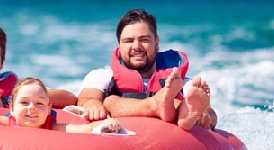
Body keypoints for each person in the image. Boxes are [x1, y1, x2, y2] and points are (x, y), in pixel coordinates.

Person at [76, 9, 217, 131]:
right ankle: (160, 105)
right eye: (129, 41)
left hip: (167, 144)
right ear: (119, 45)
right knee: (109, 102)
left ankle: (180, 113)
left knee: (186, 106)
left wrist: (204, 114)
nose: (136, 47)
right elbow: (87, 98)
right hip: (119, 135)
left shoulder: (180, 82)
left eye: (144, 40)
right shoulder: (102, 76)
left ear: (156, 43)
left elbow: (210, 113)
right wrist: (92, 104)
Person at [0, 78, 124, 133]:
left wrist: (103, 123)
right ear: (11, 108)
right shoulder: (9, 121)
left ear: (48, 110)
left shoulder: (50, 126)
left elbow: (80, 129)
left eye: (39, 104)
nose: (31, 107)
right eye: (24, 102)